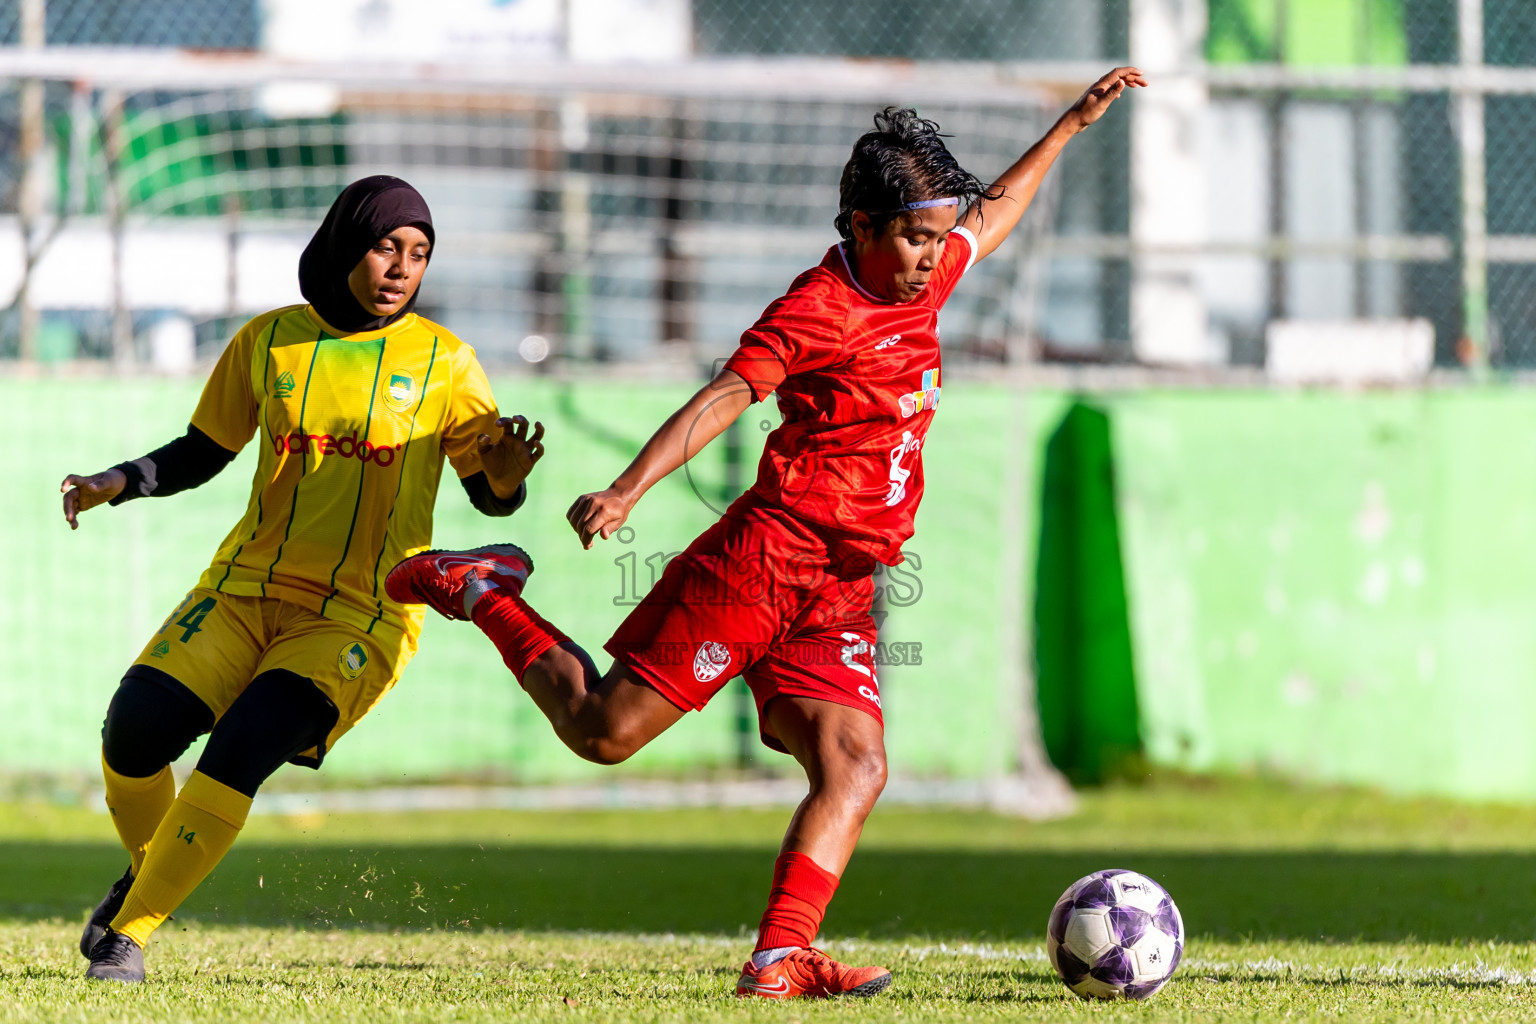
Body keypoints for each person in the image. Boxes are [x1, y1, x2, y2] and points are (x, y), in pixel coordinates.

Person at [386, 69, 1145, 999]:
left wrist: (1069, 124)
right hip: (767, 561)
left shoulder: (928, 269)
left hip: (842, 582)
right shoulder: (817, 310)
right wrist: (627, 488)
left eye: (938, 237)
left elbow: (995, 216)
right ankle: (485, 591)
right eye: (914, 235)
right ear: (861, 226)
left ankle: (780, 957)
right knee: (604, 732)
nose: (932, 255)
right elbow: (724, 398)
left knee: (856, 763)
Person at [60, 175, 546, 984]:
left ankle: (130, 931)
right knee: (132, 731)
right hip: (242, 591)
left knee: (242, 747)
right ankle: (153, 875)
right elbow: (202, 452)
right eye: (386, 245)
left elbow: (489, 494)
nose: (401, 266)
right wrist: (118, 479)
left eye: (418, 253)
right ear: (344, 240)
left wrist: (504, 479)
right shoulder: (269, 340)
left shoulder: (446, 361)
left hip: (359, 615)